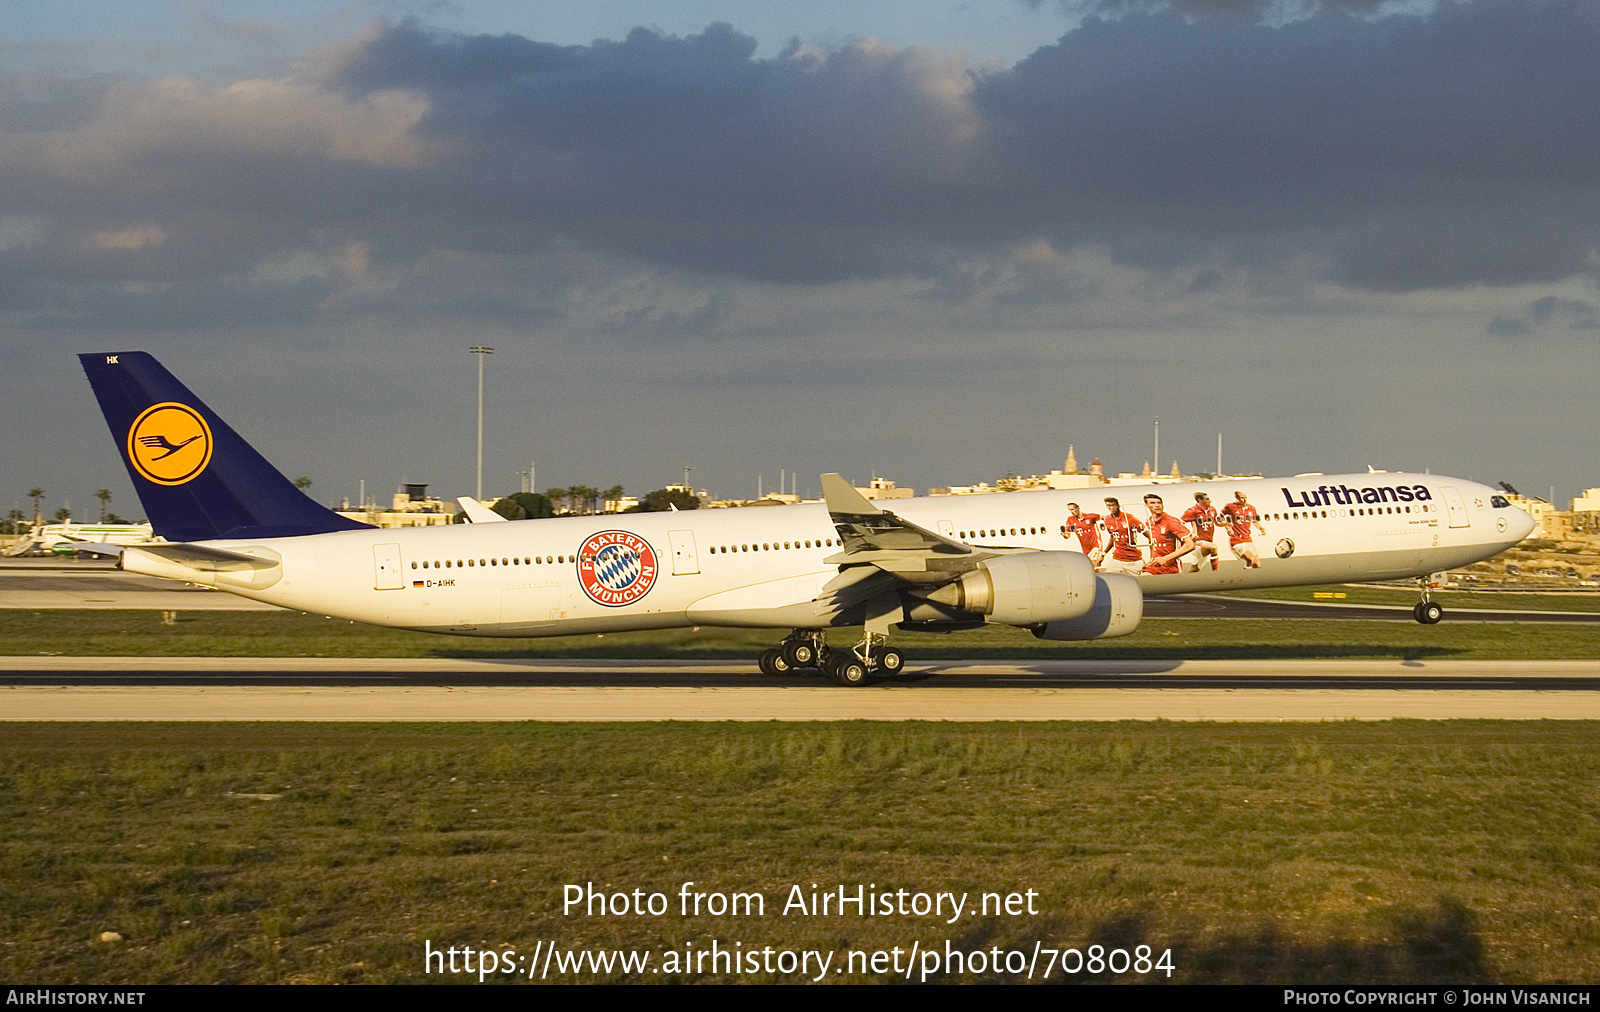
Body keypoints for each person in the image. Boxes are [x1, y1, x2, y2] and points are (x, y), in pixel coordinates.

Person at [1142, 494, 1196, 575]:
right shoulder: (1149, 522)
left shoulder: (1171, 521)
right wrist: (1151, 561)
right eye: (1152, 503)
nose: (1157, 505)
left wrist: (1165, 559)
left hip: (1170, 569)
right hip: (1154, 567)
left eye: (1159, 503)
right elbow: (1153, 543)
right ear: (1147, 505)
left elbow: (1190, 544)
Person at [1097, 497, 1147, 575]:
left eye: (1113, 505)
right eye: (1108, 506)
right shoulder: (1107, 519)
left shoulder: (1130, 518)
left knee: (1143, 581)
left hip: (1133, 559)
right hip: (1117, 559)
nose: (1111, 508)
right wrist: (1104, 554)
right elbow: (1112, 536)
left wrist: (1152, 556)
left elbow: (1148, 534)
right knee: (1108, 579)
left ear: (1118, 506)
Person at [1221, 490, 1267, 569]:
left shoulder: (1251, 508)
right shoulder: (1230, 506)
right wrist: (1227, 527)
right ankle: (1245, 568)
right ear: (1236, 498)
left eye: (1245, 497)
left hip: (1247, 539)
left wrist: (1260, 528)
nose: (1244, 500)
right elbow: (1220, 517)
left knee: (1257, 564)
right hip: (1236, 539)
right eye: (1241, 498)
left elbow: (1254, 521)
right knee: (1250, 559)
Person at [1181, 491, 1221, 572]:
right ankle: (1216, 573)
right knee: (1214, 547)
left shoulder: (1212, 509)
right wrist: (1189, 535)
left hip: (1208, 542)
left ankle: (1185, 581)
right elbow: (1179, 523)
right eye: (1207, 499)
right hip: (1198, 543)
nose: (1210, 501)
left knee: (1194, 569)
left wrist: (1228, 525)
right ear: (1199, 500)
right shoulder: (1192, 511)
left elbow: (1217, 523)